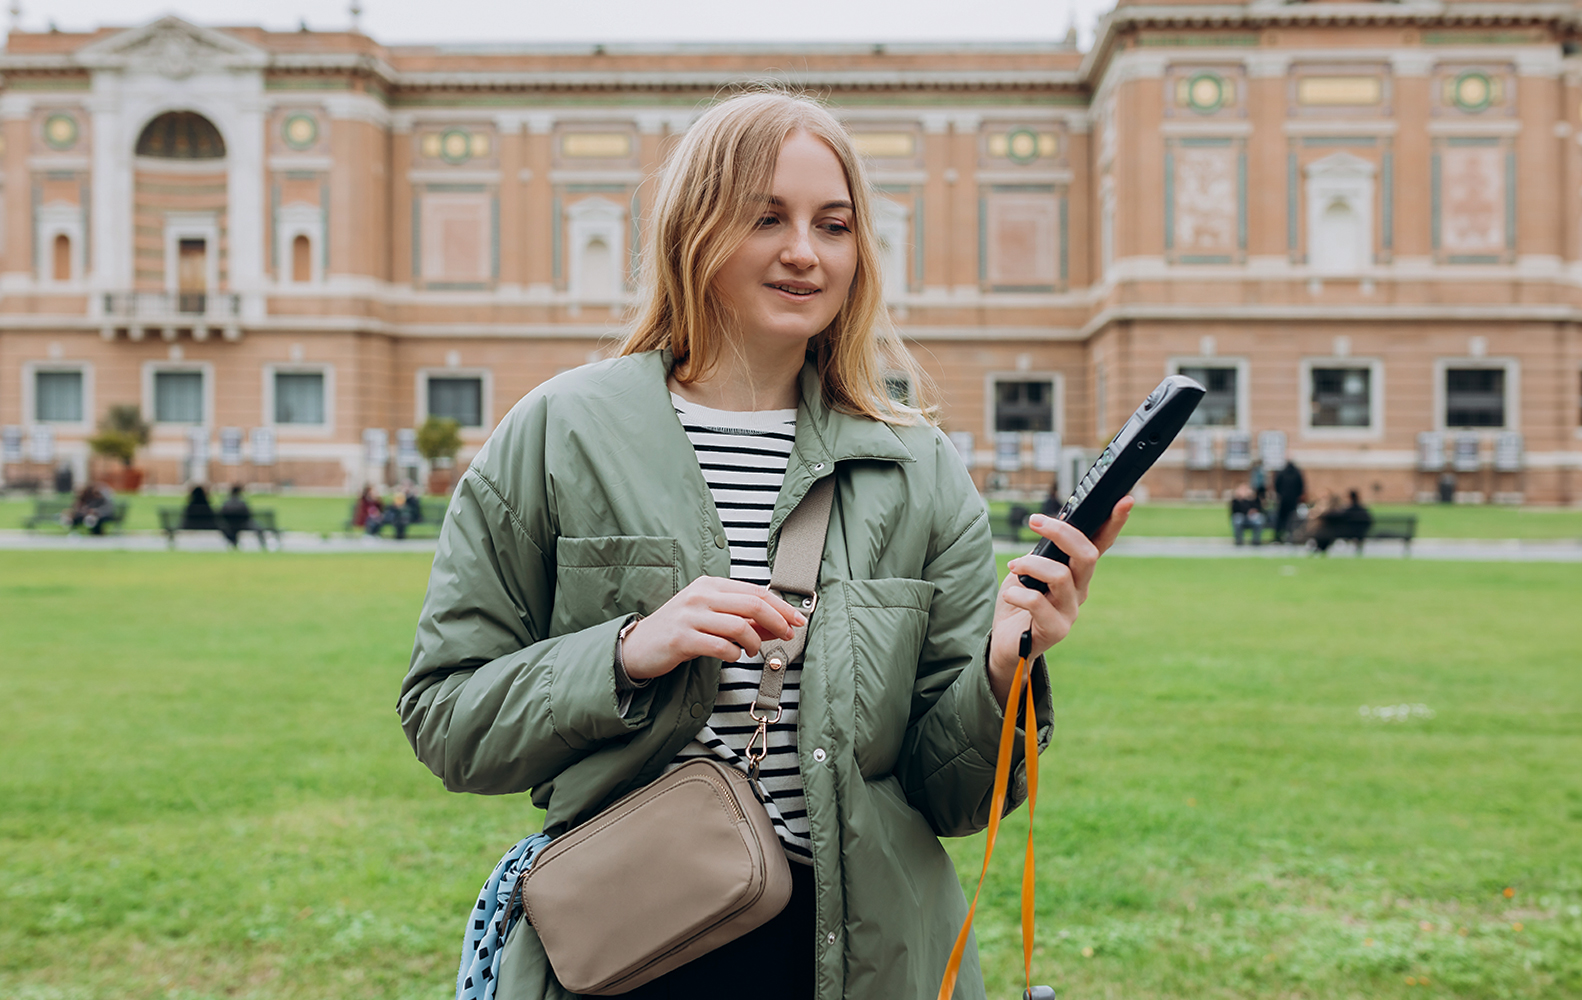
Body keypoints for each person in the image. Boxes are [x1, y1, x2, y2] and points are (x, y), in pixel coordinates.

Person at [398, 91, 1134, 1000]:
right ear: (693, 229)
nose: (805, 251)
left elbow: (951, 798)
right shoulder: (557, 432)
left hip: (866, 962)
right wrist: (625, 654)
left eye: (835, 225)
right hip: (629, 949)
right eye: (767, 217)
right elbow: (446, 718)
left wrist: (1000, 667)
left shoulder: (918, 463)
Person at [218, 484, 267, 549]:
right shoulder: (241, 503)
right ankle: (263, 544)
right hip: (243, 524)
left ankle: (234, 542)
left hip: (230, 524)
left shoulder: (226, 503)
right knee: (258, 528)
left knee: (225, 528)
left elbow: (221, 513)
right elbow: (248, 513)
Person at [1272, 457, 1305, 544]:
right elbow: (1301, 486)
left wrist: (1280, 494)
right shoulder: (1297, 473)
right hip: (1293, 499)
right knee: (1292, 518)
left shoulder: (1281, 472)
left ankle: (1278, 536)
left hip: (1283, 499)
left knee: (1280, 518)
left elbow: (1276, 484)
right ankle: (1290, 535)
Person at [1229, 482, 1265, 546]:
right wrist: (1242, 500)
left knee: (1259, 519)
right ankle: (1239, 540)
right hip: (1241, 519)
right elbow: (1235, 511)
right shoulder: (1236, 501)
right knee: (1237, 518)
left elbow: (1260, 509)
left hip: (1252, 519)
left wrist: (1251, 499)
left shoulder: (1254, 499)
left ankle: (1256, 540)